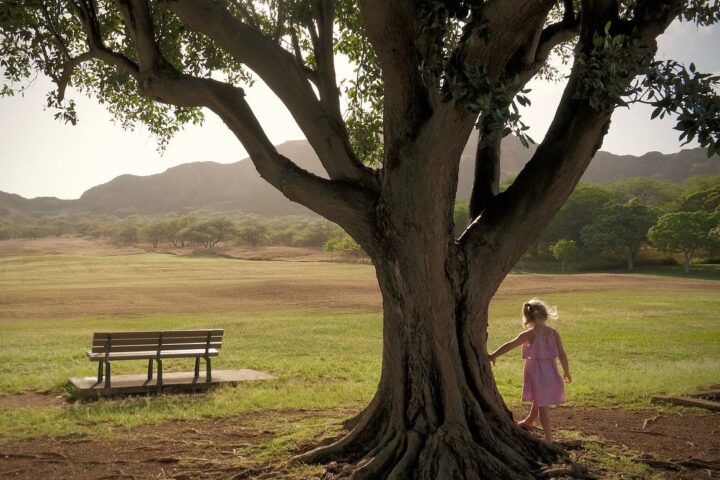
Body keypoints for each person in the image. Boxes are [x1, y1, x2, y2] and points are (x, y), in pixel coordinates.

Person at [488, 298, 571, 443]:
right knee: (540, 398)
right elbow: (562, 353)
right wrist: (566, 371)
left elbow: (510, 345)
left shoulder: (528, 334)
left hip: (536, 372)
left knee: (542, 403)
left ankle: (549, 439)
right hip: (551, 370)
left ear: (528, 318)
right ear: (546, 316)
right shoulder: (553, 333)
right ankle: (529, 421)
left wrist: (494, 355)